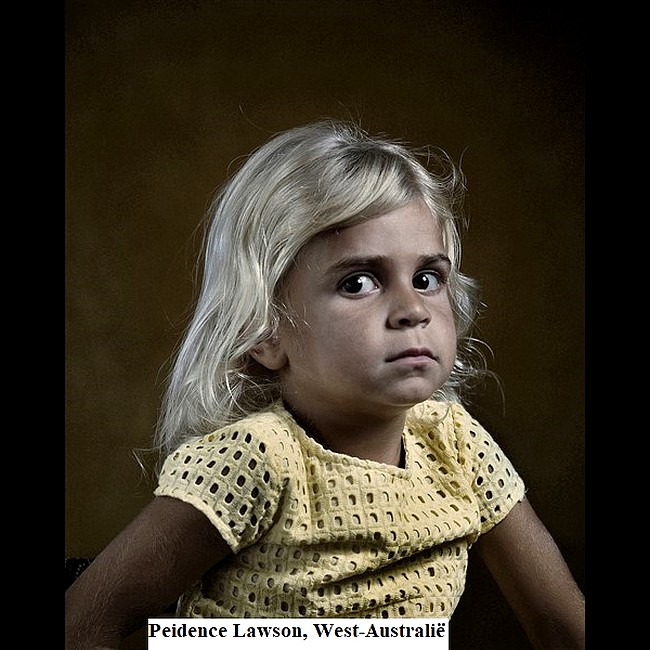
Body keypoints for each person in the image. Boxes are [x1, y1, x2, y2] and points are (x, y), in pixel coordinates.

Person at [65, 120, 585, 649]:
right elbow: (83, 621)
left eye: (427, 278)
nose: (412, 309)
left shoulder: (455, 443)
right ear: (264, 331)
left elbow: (562, 625)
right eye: (358, 282)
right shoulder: (254, 459)